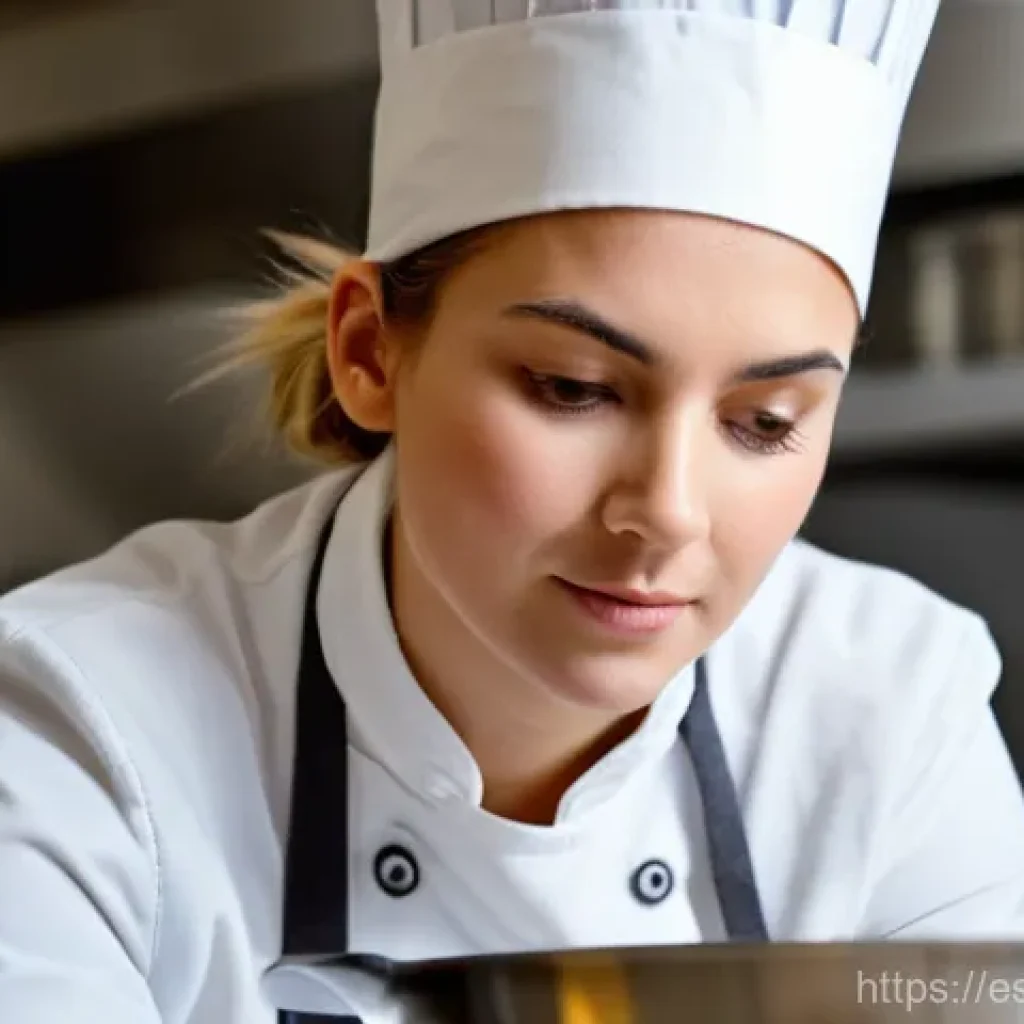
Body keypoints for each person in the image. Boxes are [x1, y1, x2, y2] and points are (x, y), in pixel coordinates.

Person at [2, 0, 1024, 1021]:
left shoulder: (893, 709)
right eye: (571, 387)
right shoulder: (80, 729)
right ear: (367, 352)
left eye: (761, 422)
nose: (665, 514)